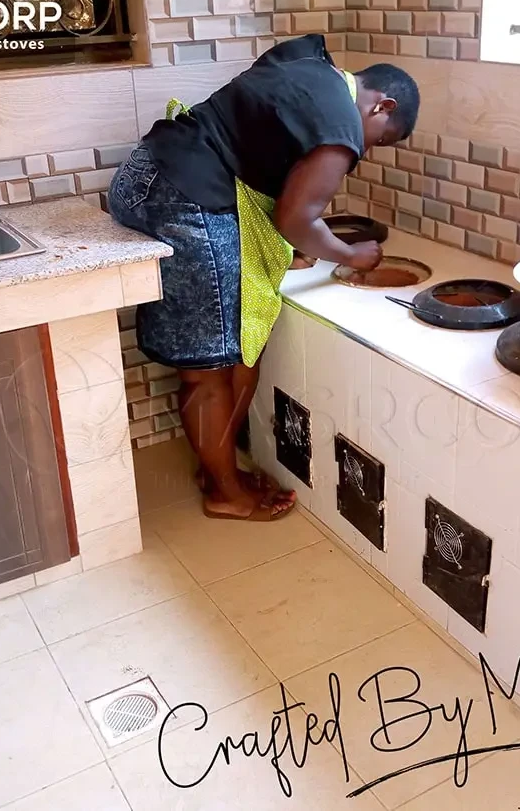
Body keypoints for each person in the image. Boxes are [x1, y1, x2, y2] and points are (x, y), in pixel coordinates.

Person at [109, 33, 420, 522]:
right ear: (382, 105)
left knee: (231, 352)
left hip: (147, 175)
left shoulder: (309, 62)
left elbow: (257, 147)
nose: (366, 148)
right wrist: (351, 254)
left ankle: (218, 470)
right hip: (183, 197)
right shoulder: (340, 123)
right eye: (379, 138)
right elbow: (295, 218)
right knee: (209, 367)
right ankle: (225, 493)